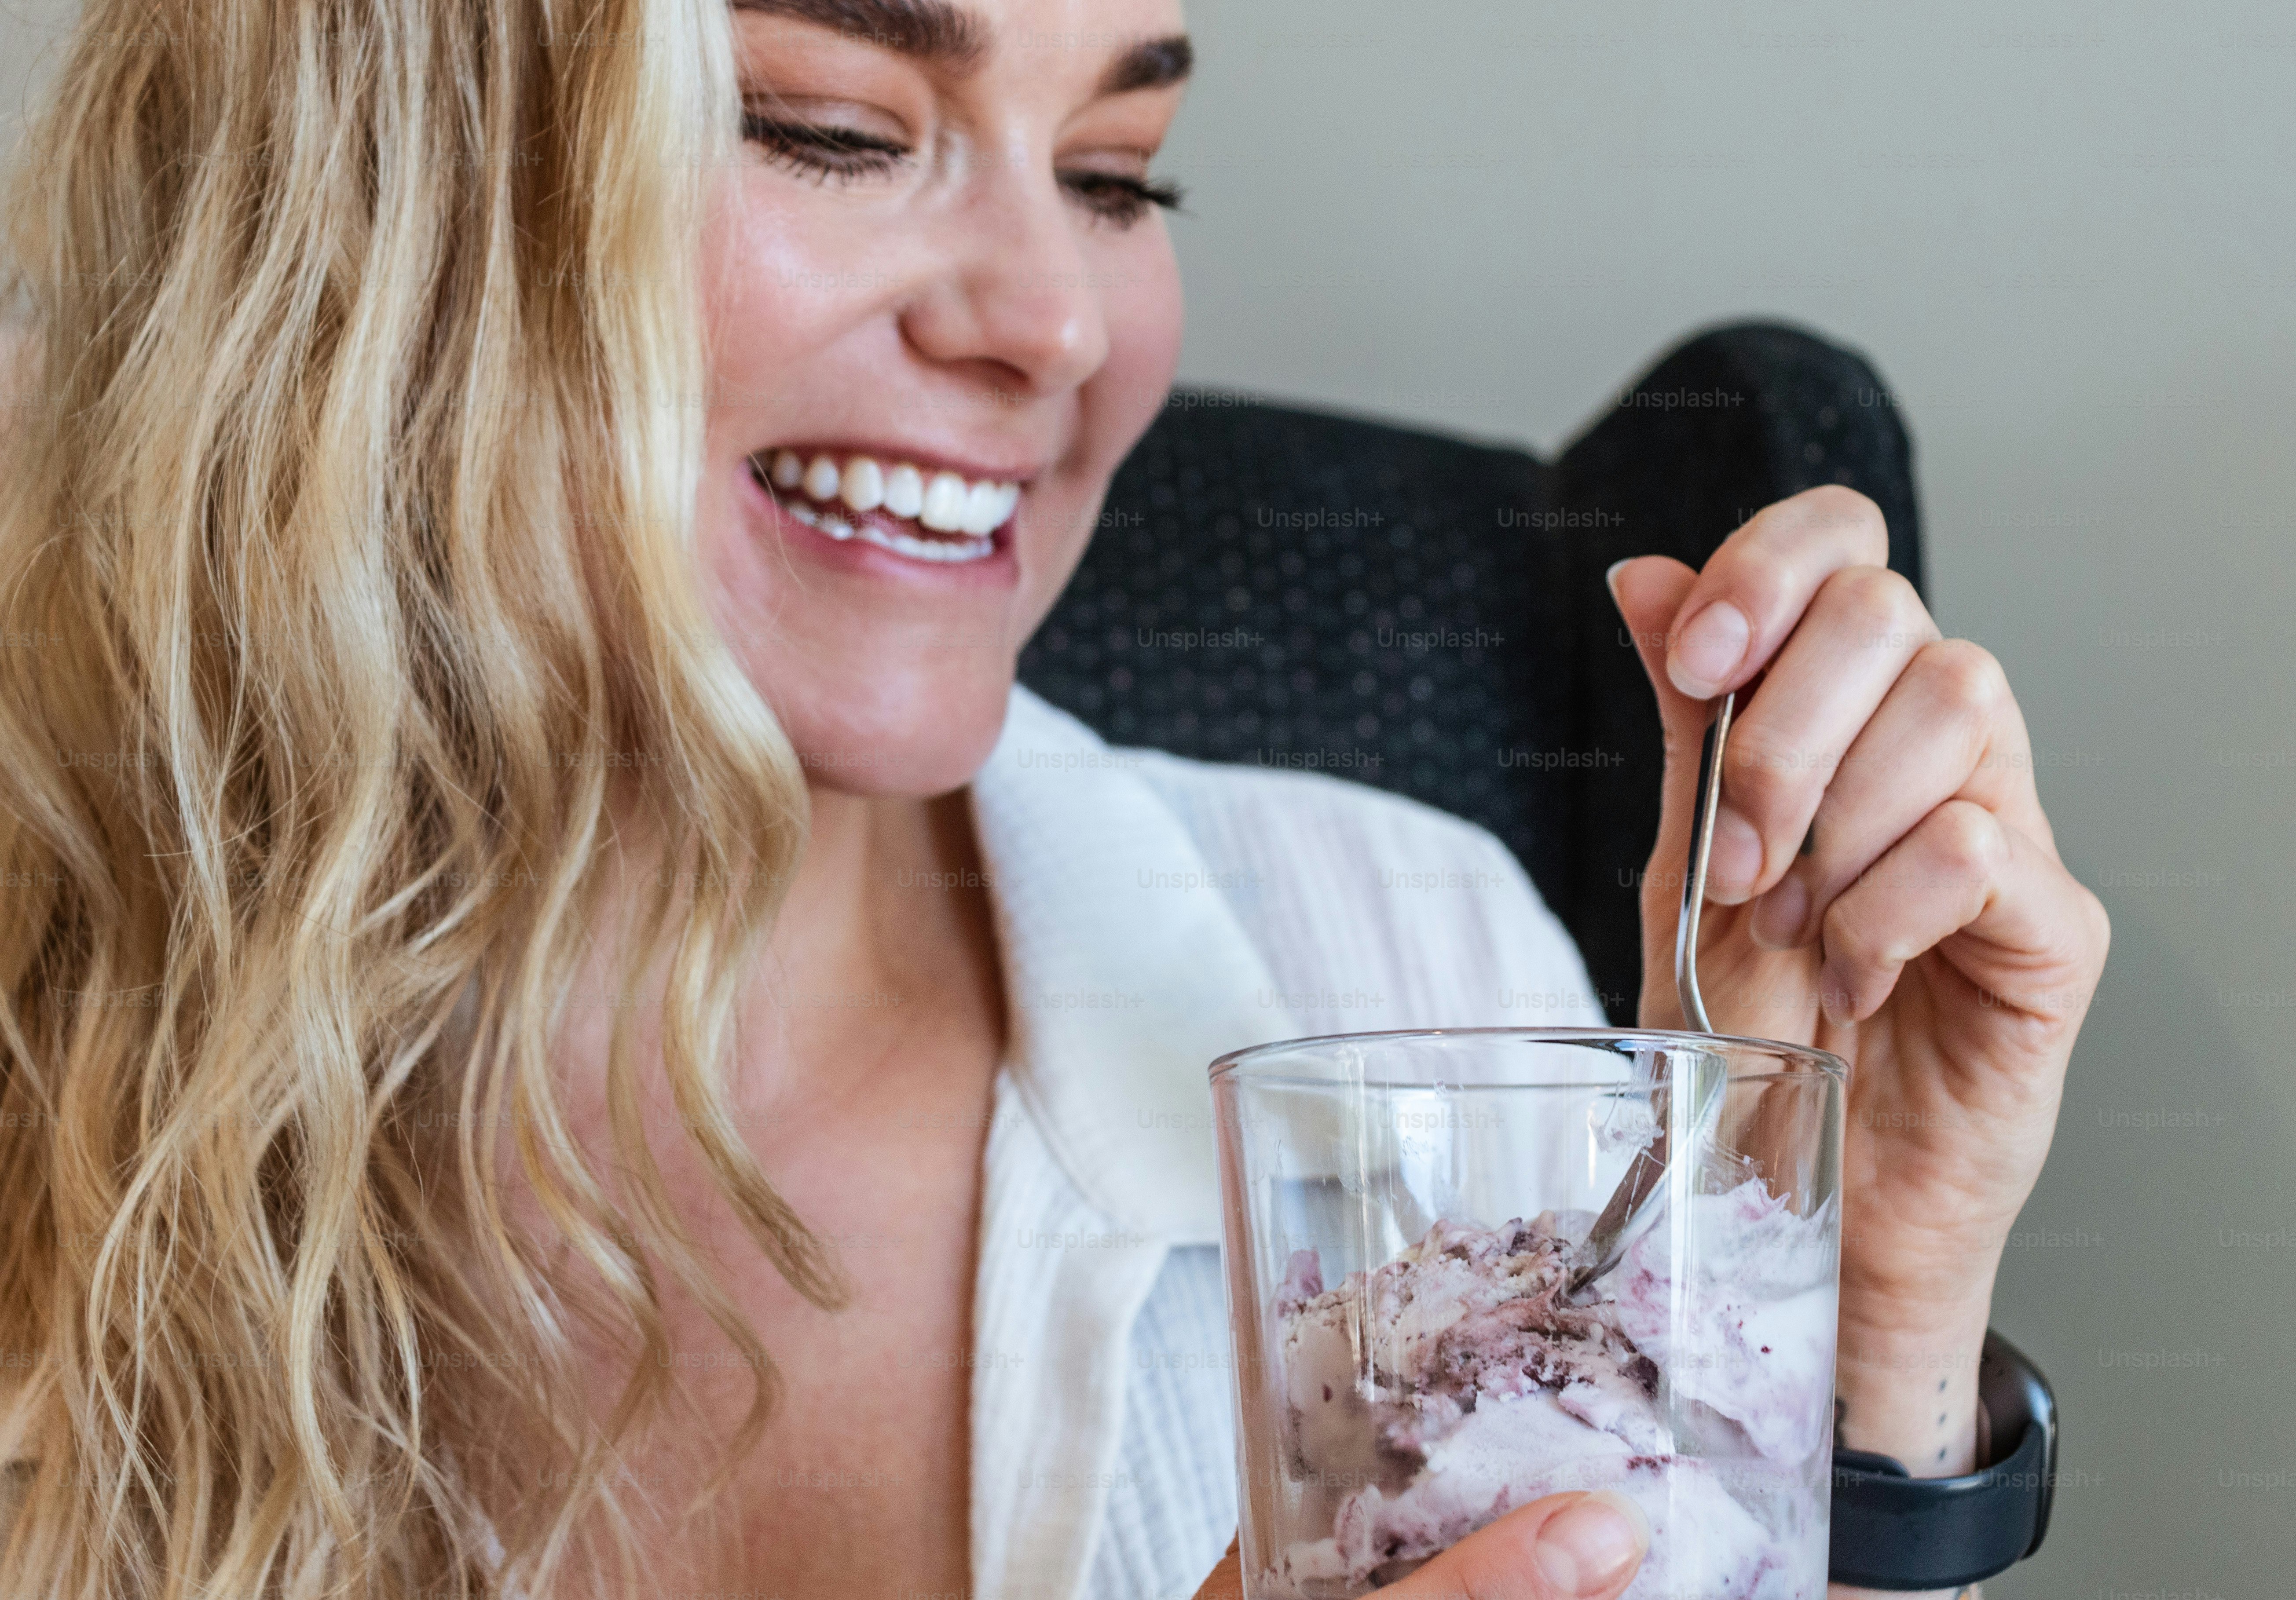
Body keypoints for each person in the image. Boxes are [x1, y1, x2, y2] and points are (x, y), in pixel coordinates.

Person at [0, 0, 2107, 1597]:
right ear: (353, 196)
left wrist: (1858, 1325)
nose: (1061, 322)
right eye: (835, 131)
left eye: (1121, 173)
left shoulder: (1401, 963)